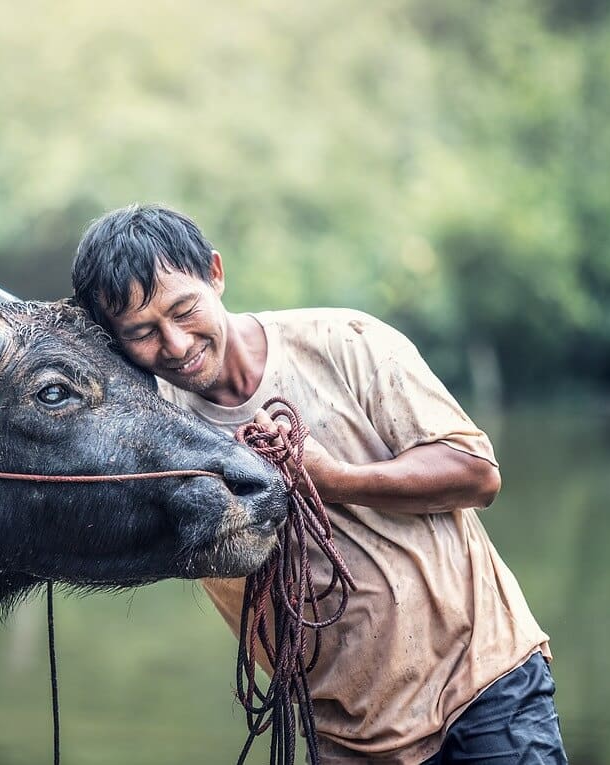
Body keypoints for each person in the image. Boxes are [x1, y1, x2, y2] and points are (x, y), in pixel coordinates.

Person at [70, 204, 567, 765]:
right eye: (143, 333)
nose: (177, 345)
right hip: (346, 729)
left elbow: (476, 473)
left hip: (481, 681)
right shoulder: (152, 432)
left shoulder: (346, 341)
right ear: (115, 343)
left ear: (216, 273)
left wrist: (338, 480)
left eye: (184, 311)